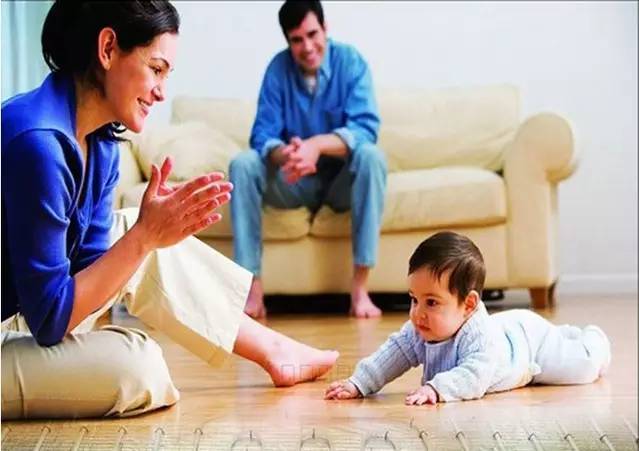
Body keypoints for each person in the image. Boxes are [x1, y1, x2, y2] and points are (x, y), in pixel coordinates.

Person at [1, 0, 338, 420]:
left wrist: (146, 236)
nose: (161, 91)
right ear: (108, 49)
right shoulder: (38, 143)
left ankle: (273, 348)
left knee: (136, 234)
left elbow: (89, 267)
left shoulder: (101, 142)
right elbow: (51, 319)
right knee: (141, 368)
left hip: (29, 316)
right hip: (20, 326)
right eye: (156, 69)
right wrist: (144, 237)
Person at [229, 0, 387, 319]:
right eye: (297, 40)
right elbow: (262, 135)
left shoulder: (351, 62)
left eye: (313, 34)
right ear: (288, 41)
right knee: (242, 164)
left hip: (342, 184)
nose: (308, 47)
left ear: (325, 28)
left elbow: (365, 129)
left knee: (371, 157)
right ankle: (253, 293)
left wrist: (316, 145)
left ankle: (360, 291)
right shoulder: (277, 69)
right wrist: (286, 153)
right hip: (294, 180)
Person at [324, 231, 611, 404]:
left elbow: (474, 376)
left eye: (431, 302)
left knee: (582, 369)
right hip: (508, 326)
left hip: (528, 343)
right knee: (400, 344)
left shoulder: (481, 340)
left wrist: (437, 388)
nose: (417, 312)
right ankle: (565, 334)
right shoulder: (421, 325)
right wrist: (359, 382)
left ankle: (591, 339)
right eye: (414, 299)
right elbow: (394, 353)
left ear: (468, 304)